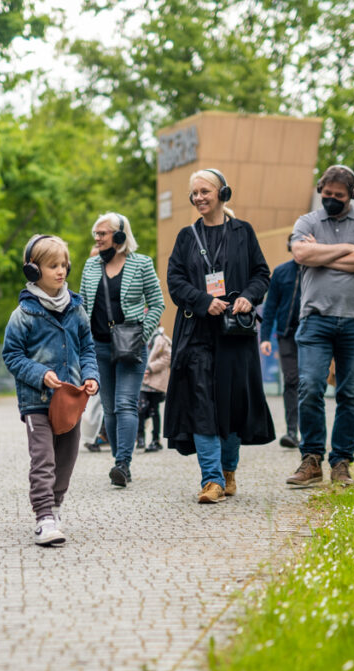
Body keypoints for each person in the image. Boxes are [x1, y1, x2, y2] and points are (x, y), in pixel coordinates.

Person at [164, 168, 275, 504]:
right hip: (196, 334)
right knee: (201, 404)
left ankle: (228, 471)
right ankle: (210, 480)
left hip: (234, 335)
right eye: (193, 193)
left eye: (204, 191)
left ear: (222, 193)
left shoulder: (243, 232)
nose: (198, 198)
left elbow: (262, 274)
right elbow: (175, 281)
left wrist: (249, 297)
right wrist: (203, 301)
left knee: (231, 406)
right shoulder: (186, 237)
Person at [286, 165, 354, 488]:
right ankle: (311, 458)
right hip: (315, 319)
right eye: (326, 194)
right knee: (311, 386)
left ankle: (341, 461)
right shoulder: (308, 221)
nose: (330, 199)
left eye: (338, 196)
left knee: (351, 394)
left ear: (351, 195)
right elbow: (300, 253)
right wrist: (348, 250)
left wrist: (322, 255)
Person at [2, 235, 99, 546]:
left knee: (67, 457)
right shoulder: (23, 315)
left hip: (69, 399)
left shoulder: (76, 309)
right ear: (33, 271)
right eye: (52, 266)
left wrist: (91, 375)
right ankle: (44, 517)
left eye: (64, 265)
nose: (61, 271)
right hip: (36, 400)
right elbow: (12, 355)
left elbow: (87, 348)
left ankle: (56, 506)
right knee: (43, 459)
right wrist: (40, 373)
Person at [79, 213, 165, 488]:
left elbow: (157, 303)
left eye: (103, 233)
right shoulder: (91, 266)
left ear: (119, 236)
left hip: (130, 345)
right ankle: (119, 461)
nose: (98, 238)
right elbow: (81, 308)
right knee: (109, 408)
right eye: (96, 234)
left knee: (126, 403)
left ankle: (123, 464)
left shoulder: (141, 264)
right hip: (99, 346)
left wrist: (143, 335)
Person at [258, 237, 301, 448]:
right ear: (289, 247)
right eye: (295, 243)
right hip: (287, 335)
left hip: (314, 336)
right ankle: (292, 431)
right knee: (292, 380)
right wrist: (264, 338)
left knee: (312, 383)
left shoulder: (318, 270)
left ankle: (311, 432)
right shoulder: (282, 272)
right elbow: (270, 307)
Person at [138, 328, 171, 452]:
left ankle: (155, 439)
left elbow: (167, 357)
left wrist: (150, 368)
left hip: (155, 381)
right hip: (142, 380)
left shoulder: (162, 339)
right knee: (140, 407)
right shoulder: (140, 334)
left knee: (154, 410)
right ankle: (140, 436)